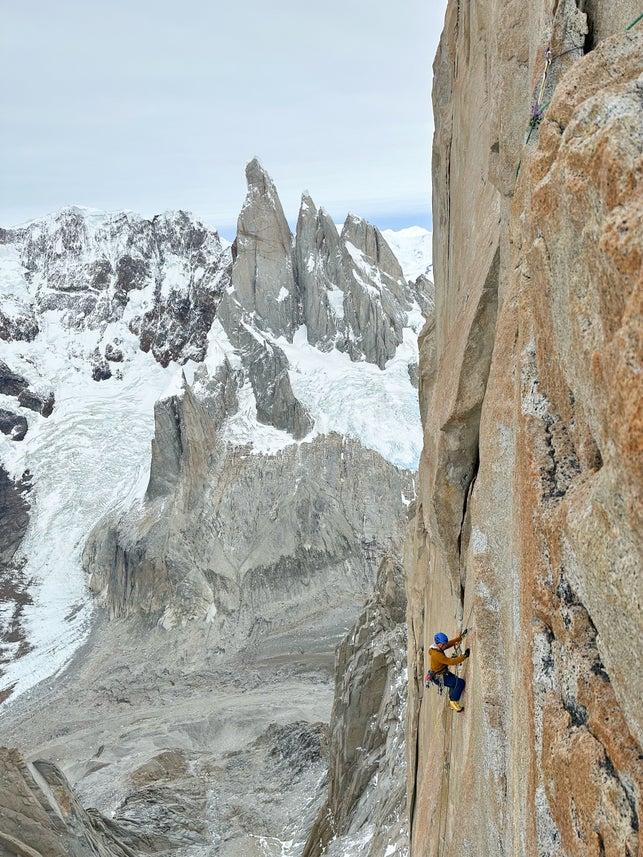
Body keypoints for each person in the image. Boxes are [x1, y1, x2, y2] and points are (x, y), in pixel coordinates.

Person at [426, 630, 470, 712]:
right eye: (444, 644)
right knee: (460, 683)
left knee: (454, 682)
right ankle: (453, 702)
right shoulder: (436, 655)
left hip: (441, 673)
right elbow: (450, 662)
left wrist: (460, 638)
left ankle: (452, 696)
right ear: (439, 644)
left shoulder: (437, 648)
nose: (445, 645)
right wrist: (464, 656)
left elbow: (449, 644)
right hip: (439, 677)